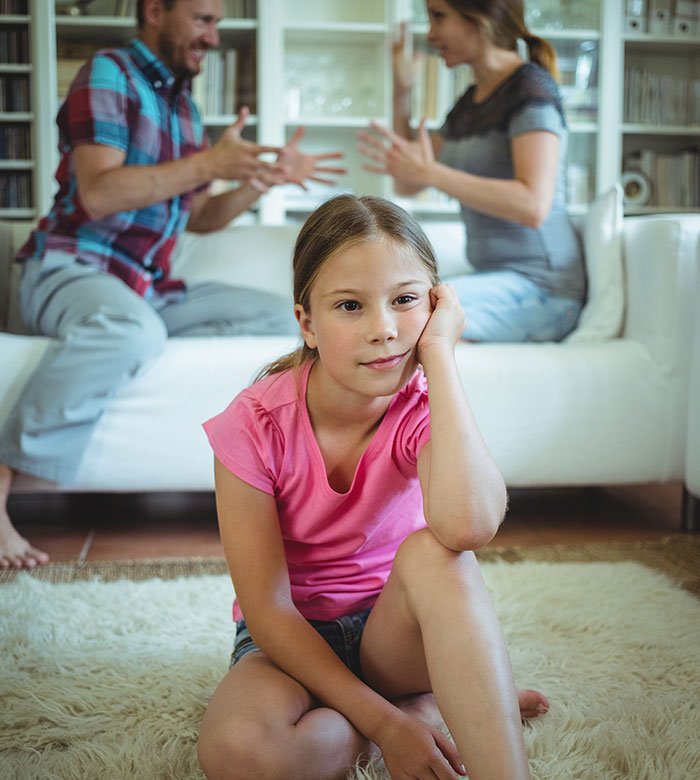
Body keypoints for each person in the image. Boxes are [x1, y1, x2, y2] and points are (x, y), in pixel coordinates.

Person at [198, 194, 549, 780]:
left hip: (395, 637)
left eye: (406, 301)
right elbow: (268, 611)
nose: (385, 330)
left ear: (436, 307)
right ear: (307, 323)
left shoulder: (423, 406)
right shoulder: (253, 424)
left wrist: (440, 357)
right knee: (238, 753)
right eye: (350, 306)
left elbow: (469, 526)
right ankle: (417, 711)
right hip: (289, 642)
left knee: (441, 555)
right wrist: (389, 727)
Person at [0, 0, 345, 569]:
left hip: (148, 285)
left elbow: (200, 217)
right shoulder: (109, 73)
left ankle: (306, 481)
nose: (213, 38)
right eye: (203, 20)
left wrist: (264, 181)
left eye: (217, 24)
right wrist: (209, 163)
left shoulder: (183, 109)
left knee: (295, 316)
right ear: (156, 11)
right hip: (70, 268)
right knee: (129, 331)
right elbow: (100, 193)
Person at [358, 0, 585, 344]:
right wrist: (402, 93)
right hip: (494, 279)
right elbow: (408, 180)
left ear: (482, 16)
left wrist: (433, 173)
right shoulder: (470, 103)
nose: (431, 33)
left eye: (439, 17)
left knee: (414, 318)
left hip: (546, 289)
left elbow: (533, 204)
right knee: (390, 307)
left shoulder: (531, 89)